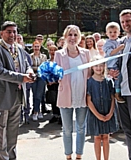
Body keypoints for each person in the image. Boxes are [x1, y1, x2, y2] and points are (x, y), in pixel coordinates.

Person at [0, 21, 35, 160]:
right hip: (1, 97)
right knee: (0, 135)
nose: (12, 34)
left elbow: (26, 65)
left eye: (14, 31)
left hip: (18, 95)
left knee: (12, 133)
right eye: (9, 31)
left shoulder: (18, 48)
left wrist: (30, 73)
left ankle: (12, 157)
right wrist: (22, 77)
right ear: (1, 33)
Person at [110, 9, 131, 160]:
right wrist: (113, 71)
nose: (125, 24)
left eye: (128, 21)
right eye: (123, 22)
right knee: (127, 130)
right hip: (121, 90)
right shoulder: (121, 42)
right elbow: (117, 62)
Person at [54, 25, 91, 160]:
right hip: (66, 96)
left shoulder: (86, 53)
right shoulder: (59, 54)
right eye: (70, 35)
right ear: (65, 36)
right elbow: (56, 75)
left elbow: (90, 74)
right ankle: (68, 155)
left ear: (79, 37)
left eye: (75, 35)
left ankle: (79, 155)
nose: (72, 38)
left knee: (81, 128)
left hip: (82, 95)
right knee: (67, 129)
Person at [86, 55, 118, 160]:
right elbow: (88, 101)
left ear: (104, 66)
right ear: (92, 67)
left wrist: (110, 113)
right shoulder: (89, 82)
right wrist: (98, 115)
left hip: (107, 112)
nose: (98, 68)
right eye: (96, 66)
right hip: (95, 114)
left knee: (106, 137)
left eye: (101, 65)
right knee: (97, 137)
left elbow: (112, 98)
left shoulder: (108, 81)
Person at [103, 22, 125, 103]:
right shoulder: (107, 43)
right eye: (110, 32)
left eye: (115, 32)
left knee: (120, 77)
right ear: (106, 33)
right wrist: (119, 48)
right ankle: (117, 93)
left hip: (119, 64)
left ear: (119, 33)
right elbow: (111, 53)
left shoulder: (120, 41)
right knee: (117, 77)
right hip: (111, 65)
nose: (113, 34)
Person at [30, 40, 47, 121]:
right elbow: (29, 67)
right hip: (33, 77)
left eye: (38, 46)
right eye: (35, 46)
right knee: (34, 94)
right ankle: (37, 110)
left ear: (40, 47)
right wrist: (37, 69)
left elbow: (43, 67)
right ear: (33, 47)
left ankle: (36, 112)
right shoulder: (30, 56)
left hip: (41, 77)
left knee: (39, 95)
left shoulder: (44, 56)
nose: (36, 48)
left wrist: (36, 69)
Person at [46, 44, 61, 124]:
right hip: (50, 83)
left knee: (59, 99)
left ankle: (60, 116)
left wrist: (55, 80)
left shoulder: (59, 61)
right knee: (53, 99)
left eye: (54, 50)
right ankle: (55, 115)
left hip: (58, 83)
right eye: (51, 50)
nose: (52, 52)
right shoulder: (48, 61)